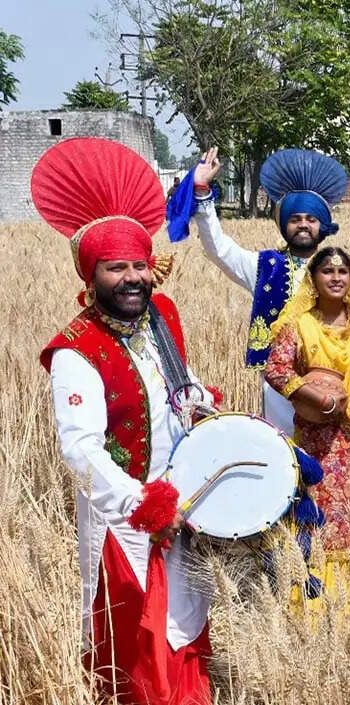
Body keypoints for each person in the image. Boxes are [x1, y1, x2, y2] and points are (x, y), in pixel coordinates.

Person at [34, 137, 216, 705]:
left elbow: (174, 389)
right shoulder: (75, 350)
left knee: (187, 617)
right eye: (116, 267)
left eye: (140, 263)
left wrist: (202, 403)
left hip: (182, 499)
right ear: (91, 276)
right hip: (124, 518)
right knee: (133, 635)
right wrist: (141, 505)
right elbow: (79, 451)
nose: (133, 277)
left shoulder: (162, 315)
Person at [168, 147, 350, 437]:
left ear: (322, 226)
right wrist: (201, 193)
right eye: (295, 218)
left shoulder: (342, 269)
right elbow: (220, 250)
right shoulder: (266, 267)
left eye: (311, 219)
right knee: (288, 458)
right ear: (284, 224)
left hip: (335, 382)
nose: (303, 224)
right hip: (281, 386)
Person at [263, 246, 350, 597]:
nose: (337, 278)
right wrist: (314, 396)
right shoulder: (299, 324)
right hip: (316, 437)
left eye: (344, 272)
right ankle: (314, 597)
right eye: (328, 271)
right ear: (313, 279)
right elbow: (275, 370)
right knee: (319, 511)